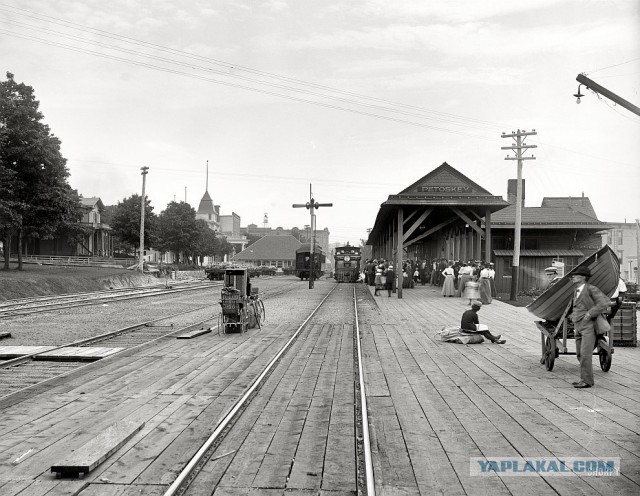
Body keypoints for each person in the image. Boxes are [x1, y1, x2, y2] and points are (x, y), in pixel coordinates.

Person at [569, 266, 610, 389]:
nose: (573, 277)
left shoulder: (591, 288)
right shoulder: (577, 290)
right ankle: (584, 378)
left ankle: (587, 381)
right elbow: (578, 306)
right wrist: (573, 315)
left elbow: (604, 303)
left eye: (575, 276)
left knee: (585, 354)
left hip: (588, 326)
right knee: (580, 354)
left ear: (582, 277)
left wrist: (589, 314)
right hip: (578, 326)